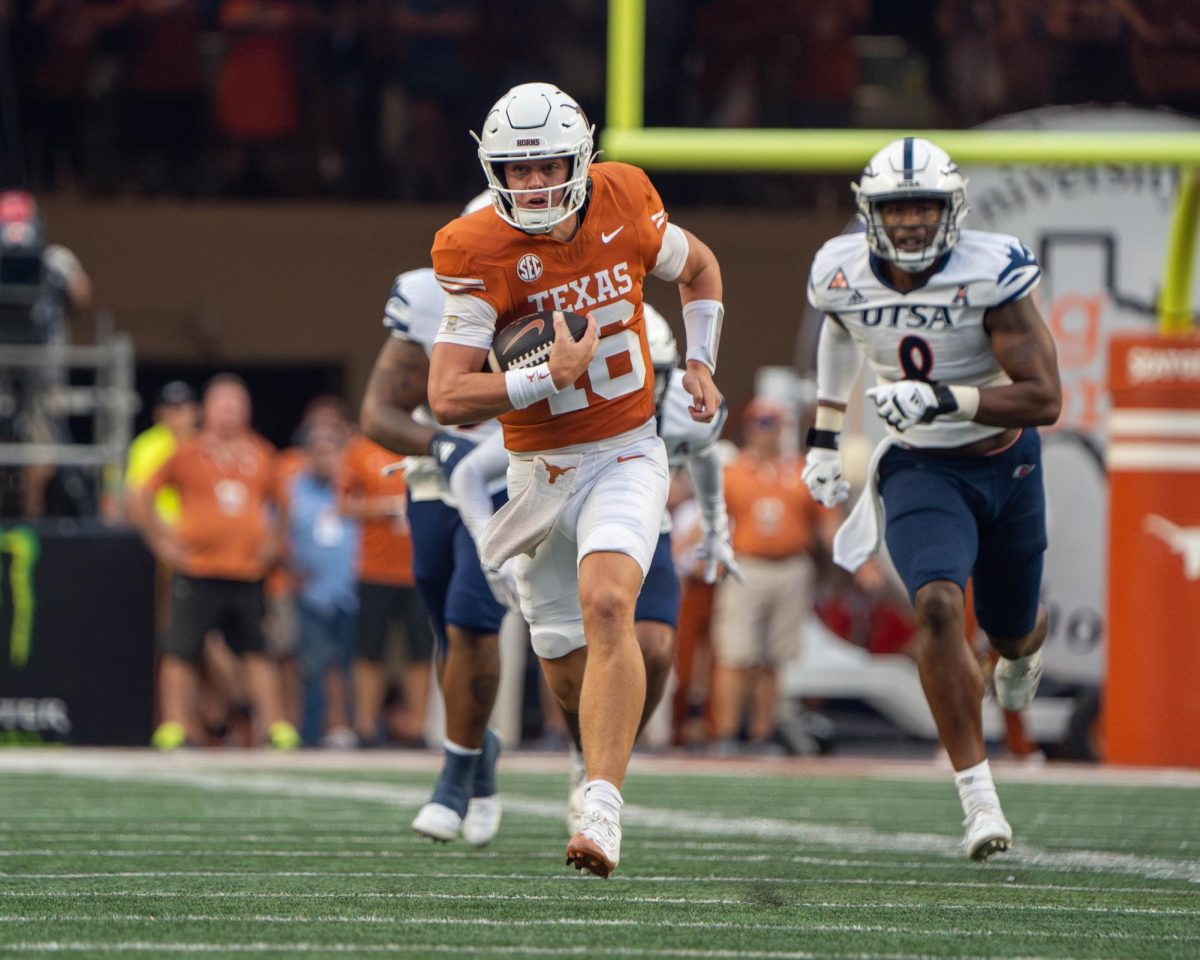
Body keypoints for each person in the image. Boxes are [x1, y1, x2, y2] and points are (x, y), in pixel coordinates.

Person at [426, 82, 725, 877]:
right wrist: (541, 380)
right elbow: (448, 394)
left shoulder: (625, 194)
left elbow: (699, 268)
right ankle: (585, 754)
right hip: (538, 471)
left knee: (609, 602)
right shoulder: (471, 246)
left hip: (627, 449)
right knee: (562, 663)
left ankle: (602, 805)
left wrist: (701, 360)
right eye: (514, 171)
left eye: (545, 166)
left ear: (581, 158)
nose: (530, 185)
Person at [803, 137, 1061, 861]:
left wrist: (948, 396)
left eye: (924, 206)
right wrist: (825, 434)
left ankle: (1020, 648)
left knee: (1010, 627)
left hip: (1005, 462)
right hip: (918, 467)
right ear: (870, 212)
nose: (912, 221)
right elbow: (838, 325)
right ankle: (978, 797)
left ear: (952, 211)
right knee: (939, 605)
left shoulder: (992, 270)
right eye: (896, 207)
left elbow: (1046, 398)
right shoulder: (840, 270)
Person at [447, 305, 739, 832]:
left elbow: (704, 451)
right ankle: (588, 747)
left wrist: (718, 529)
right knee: (564, 660)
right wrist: (490, 551)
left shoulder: (676, 407)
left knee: (654, 647)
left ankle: (602, 763)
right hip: (562, 533)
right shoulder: (561, 407)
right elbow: (471, 471)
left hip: (642, 531)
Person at [359, 257, 506, 847]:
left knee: (473, 621)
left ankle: (452, 781)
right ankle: (478, 752)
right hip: (436, 481)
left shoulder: (564, 289)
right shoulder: (429, 294)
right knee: (450, 633)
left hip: (518, 476)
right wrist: (441, 444)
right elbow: (377, 411)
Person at [131, 373, 300, 750]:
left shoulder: (260, 452)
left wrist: (273, 542)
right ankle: (175, 726)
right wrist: (162, 544)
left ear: (247, 411)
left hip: (247, 570)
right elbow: (141, 496)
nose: (229, 412)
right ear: (206, 410)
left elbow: (285, 502)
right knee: (182, 650)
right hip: (197, 569)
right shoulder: (188, 453)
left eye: (236, 404)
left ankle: (275, 725)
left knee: (258, 650)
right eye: (222, 404)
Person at [709, 398, 839, 757]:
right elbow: (712, 517)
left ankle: (762, 735)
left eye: (775, 423)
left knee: (773, 659)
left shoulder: (801, 469)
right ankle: (726, 734)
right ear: (750, 427)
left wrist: (850, 553)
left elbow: (826, 521)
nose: (769, 431)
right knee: (736, 654)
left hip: (792, 567)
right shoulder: (734, 471)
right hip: (747, 566)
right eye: (762, 423)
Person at [339, 428, 434, 747]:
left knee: (420, 650)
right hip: (376, 569)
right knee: (370, 649)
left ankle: (417, 727)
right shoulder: (361, 450)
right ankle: (364, 726)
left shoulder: (426, 443)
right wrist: (380, 506)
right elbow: (343, 505)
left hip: (419, 567)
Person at [0, 190, 92, 518]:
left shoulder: (55, 259)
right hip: (2, 374)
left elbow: (82, 297)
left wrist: (51, 281)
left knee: (40, 459)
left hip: (44, 376)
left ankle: (31, 524)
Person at [280, 419, 360, 747]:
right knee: (310, 663)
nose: (325, 458)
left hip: (349, 591)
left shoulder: (355, 486)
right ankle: (309, 728)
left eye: (332, 450)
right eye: (319, 450)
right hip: (309, 592)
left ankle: (342, 727)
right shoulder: (292, 489)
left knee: (347, 662)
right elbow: (275, 531)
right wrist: (290, 566)